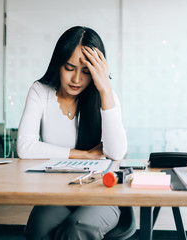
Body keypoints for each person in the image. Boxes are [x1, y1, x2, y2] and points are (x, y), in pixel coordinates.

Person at [17, 26, 127, 240]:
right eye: (69, 67)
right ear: (58, 64)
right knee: (40, 226)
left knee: (76, 229)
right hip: (56, 193)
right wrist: (84, 154)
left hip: (101, 195)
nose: (77, 79)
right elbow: (25, 146)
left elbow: (116, 152)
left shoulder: (106, 96)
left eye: (86, 71)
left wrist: (104, 88)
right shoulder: (41, 91)